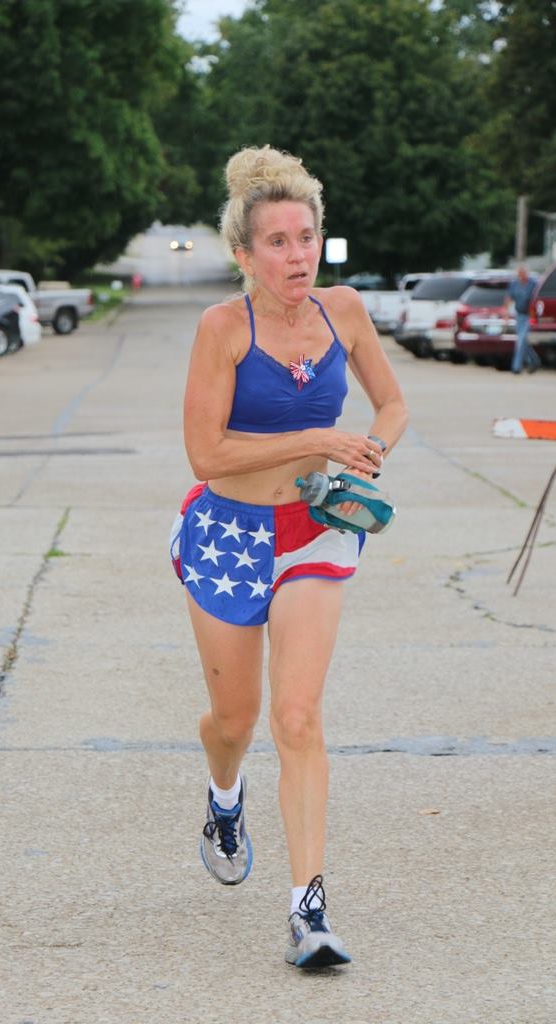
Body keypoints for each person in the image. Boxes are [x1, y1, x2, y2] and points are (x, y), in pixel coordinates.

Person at [169, 145, 408, 969]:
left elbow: (392, 403)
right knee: (233, 722)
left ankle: (308, 909)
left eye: (305, 237)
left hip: (314, 527)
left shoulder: (344, 311)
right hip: (229, 536)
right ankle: (223, 795)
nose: (296, 255)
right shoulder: (222, 328)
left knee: (297, 717)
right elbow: (206, 453)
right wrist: (316, 437)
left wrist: (366, 454)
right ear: (244, 255)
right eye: (276, 242)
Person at [504, 266, 540, 374]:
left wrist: (534, 318)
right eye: (519, 274)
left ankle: (516, 367)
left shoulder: (533, 284)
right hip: (519, 315)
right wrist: (506, 314)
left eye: (523, 273)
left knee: (521, 340)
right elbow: (509, 298)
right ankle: (535, 361)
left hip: (530, 315)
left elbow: (536, 300)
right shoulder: (514, 284)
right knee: (523, 342)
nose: (521, 276)